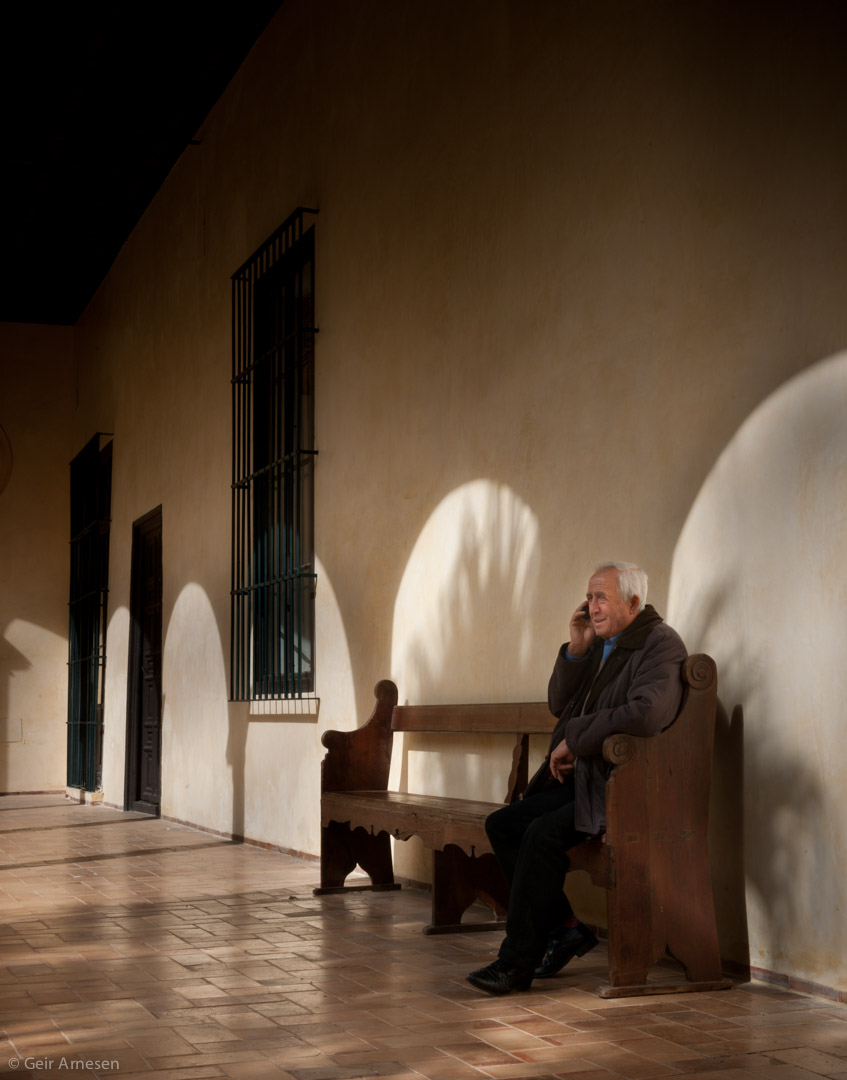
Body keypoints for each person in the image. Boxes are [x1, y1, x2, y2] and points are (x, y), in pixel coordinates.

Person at [466, 561, 688, 995]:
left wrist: (575, 740)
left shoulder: (660, 644)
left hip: (621, 787)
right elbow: (558, 704)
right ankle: (565, 928)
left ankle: (516, 964)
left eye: (602, 597)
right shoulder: (603, 644)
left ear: (633, 603)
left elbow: (645, 713)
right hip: (586, 780)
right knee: (504, 825)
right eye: (589, 597)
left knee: (539, 835)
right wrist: (577, 649)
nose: (592, 606)